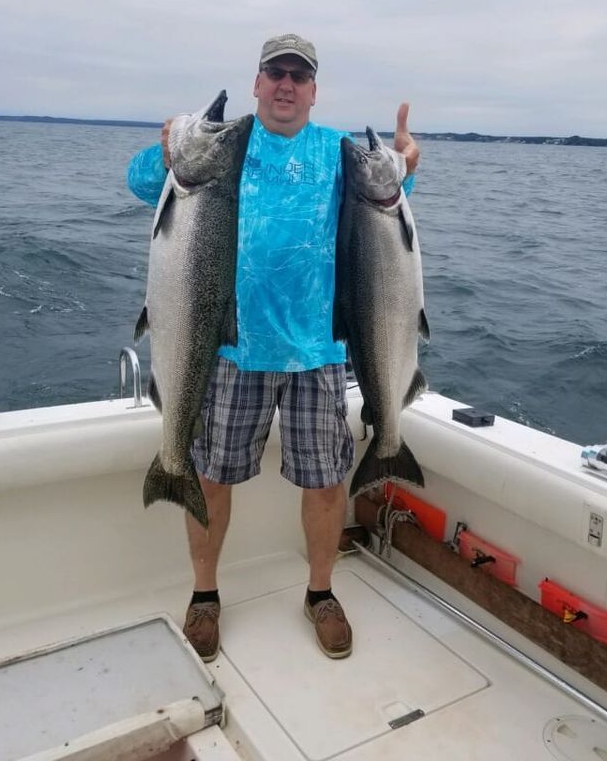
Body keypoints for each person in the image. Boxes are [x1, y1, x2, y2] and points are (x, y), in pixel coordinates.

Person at [127, 34, 420, 661]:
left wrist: (407, 165)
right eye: (275, 73)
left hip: (318, 352)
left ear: (314, 90)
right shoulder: (225, 143)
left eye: (299, 75)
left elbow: (384, 208)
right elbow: (138, 181)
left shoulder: (337, 151)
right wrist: (162, 153)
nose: (286, 85)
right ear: (257, 82)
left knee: (325, 484)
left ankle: (320, 593)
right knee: (211, 477)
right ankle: (204, 594)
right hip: (230, 350)